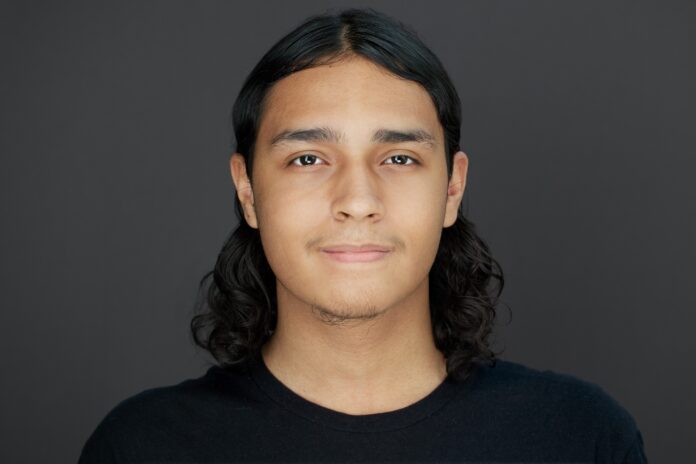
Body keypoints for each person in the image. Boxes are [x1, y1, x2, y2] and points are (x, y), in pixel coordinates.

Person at [79, 7, 647, 463]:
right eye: (307, 159)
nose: (357, 201)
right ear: (248, 190)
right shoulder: (142, 446)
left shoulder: (580, 437)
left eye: (398, 157)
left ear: (452, 188)